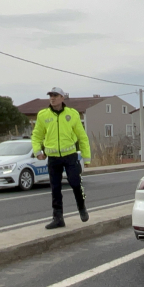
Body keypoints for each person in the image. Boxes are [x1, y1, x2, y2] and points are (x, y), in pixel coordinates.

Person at [31, 87, 91, 229]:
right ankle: (58, 218)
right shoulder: (43, 115)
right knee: (55, 188)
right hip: (53, 158)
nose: (52, 98)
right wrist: (37, 151)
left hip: (70, 156)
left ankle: (82, 207)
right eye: (51, 96)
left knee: (75, 183)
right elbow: (37, 135)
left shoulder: (72, 114)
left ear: (62, 98)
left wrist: (86, 158)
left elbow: (82, 137)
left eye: (55, 95)